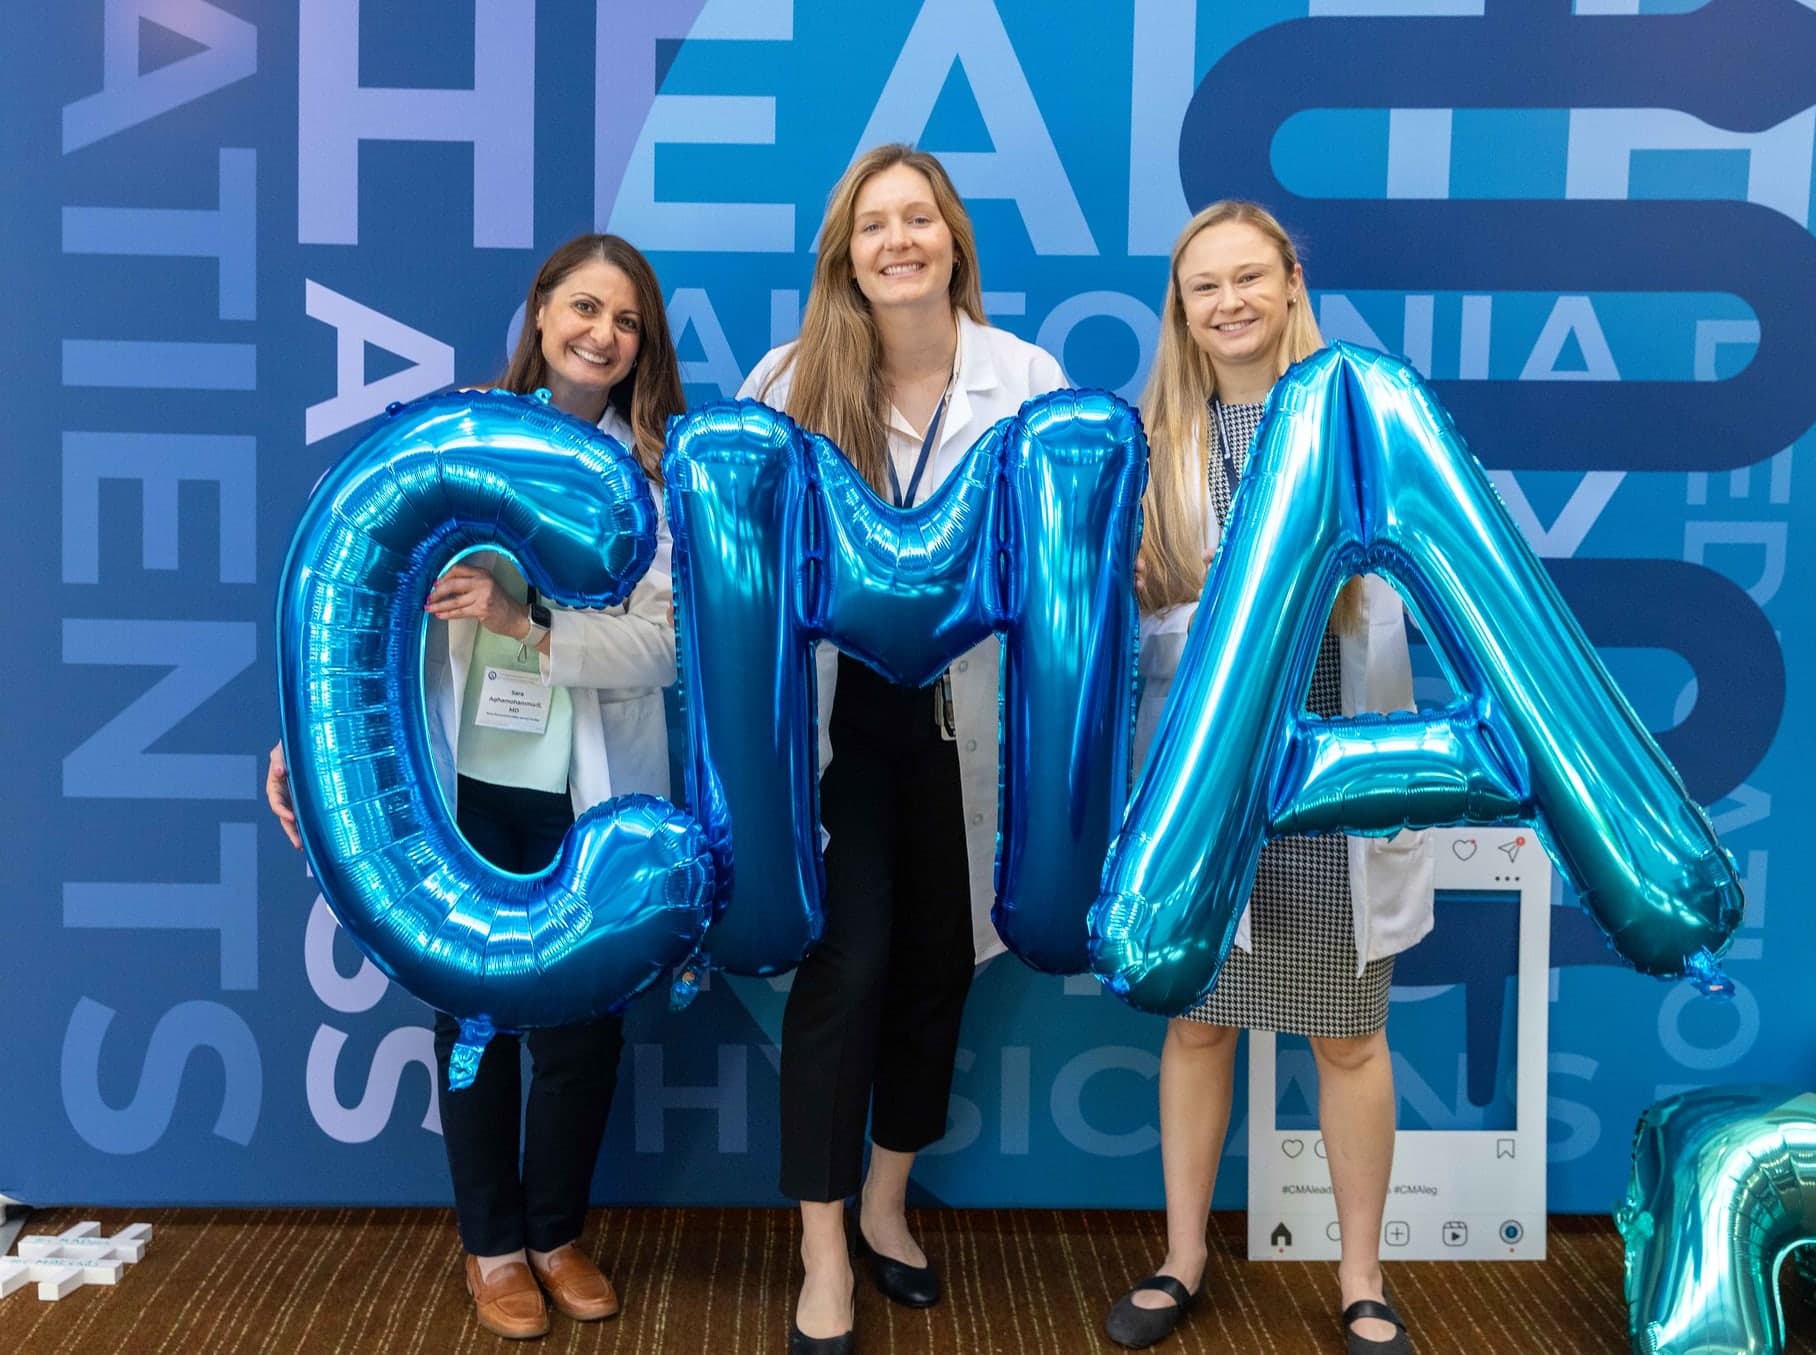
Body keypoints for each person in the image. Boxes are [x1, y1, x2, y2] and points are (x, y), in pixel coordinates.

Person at [266, 233, 685, 1341]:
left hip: (590, 798)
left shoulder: (657, 483)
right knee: (474, 1023)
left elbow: (664, 649)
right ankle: (492, 1246)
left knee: (584, 1033)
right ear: (542, 312)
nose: (602, 334)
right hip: (458, 787)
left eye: (627, 321)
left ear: (644, 347)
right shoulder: (446, 444)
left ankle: (557, 1231)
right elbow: (362, 600)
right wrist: (308, 742)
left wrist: (526, 619)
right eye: (584, 307)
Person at [739, 143, 1066, 1355]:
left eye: (916, 219)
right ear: (845, 254)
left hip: (964, 729)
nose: (896, 241)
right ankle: (821, 1246)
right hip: (840, 731)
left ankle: (886, 1203)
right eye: (873, 224)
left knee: (939, 969)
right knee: (847, 969)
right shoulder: (789, 381)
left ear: (952, 240)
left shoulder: (1024, 378)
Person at [1104, 201, 1432, 1355]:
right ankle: (1183, 1255)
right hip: (1211, 788)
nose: (1229, 301)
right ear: (1182, 311)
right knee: (1199, 1026)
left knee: (1346, 1034)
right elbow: (1137, 628)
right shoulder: (1155, 444)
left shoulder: (1363, 422)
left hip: (1334, 774)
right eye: (1205, 286)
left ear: (1293, 281)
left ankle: (1361, 1277)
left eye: (1250, 277)